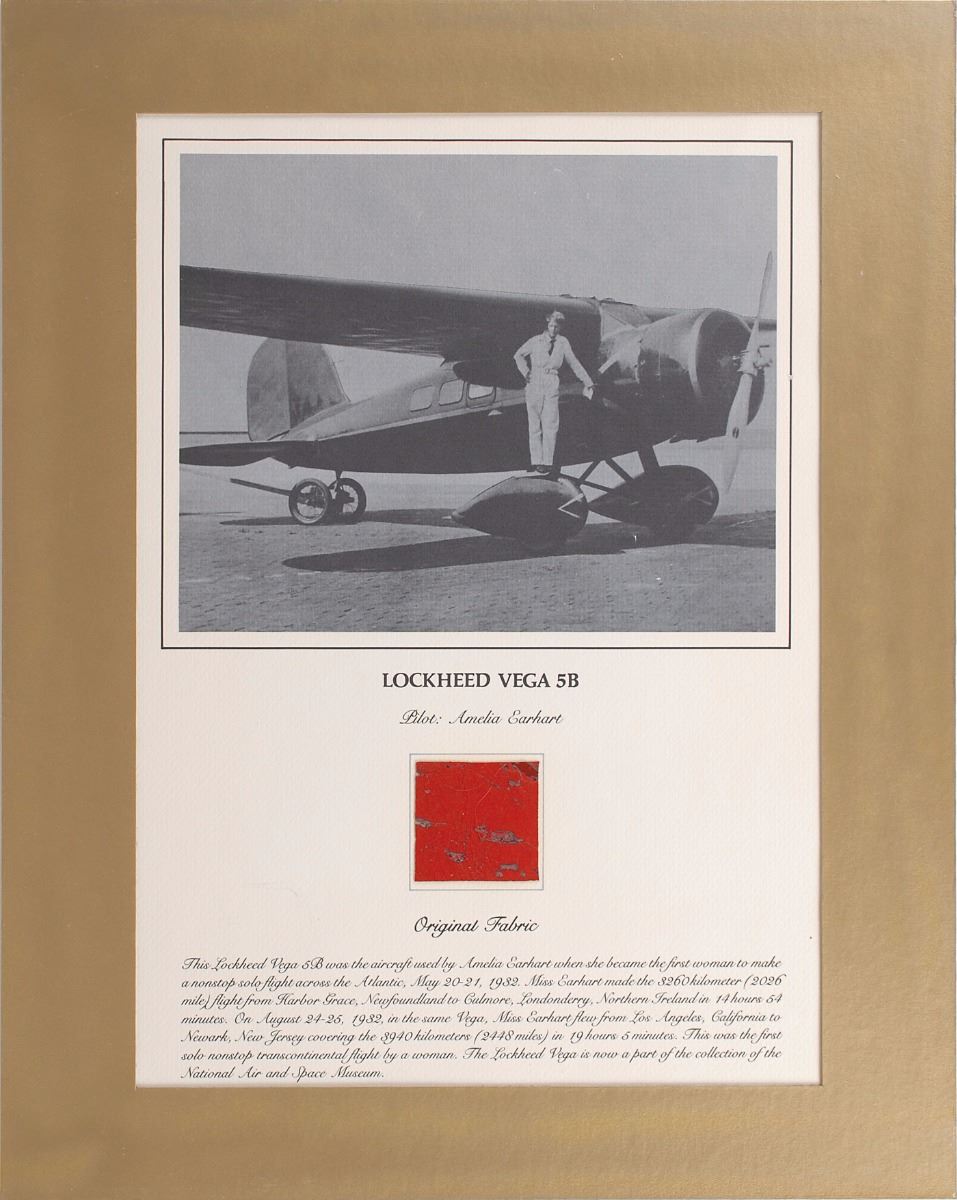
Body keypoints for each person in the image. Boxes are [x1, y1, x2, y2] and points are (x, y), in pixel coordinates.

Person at [513, 311, 594, 476]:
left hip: (551, 381)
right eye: (551, 325)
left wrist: (588, 381)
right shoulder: (535, 341)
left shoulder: (563, 342)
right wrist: (525, 372)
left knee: (551, 424)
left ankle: (547, 462)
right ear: (547, 325)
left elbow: (574, 362)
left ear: (560, 327)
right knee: (534, 424)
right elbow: (518, 355)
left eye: (557, 326)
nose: (553, 329)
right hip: (535, 381)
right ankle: (537, 462)